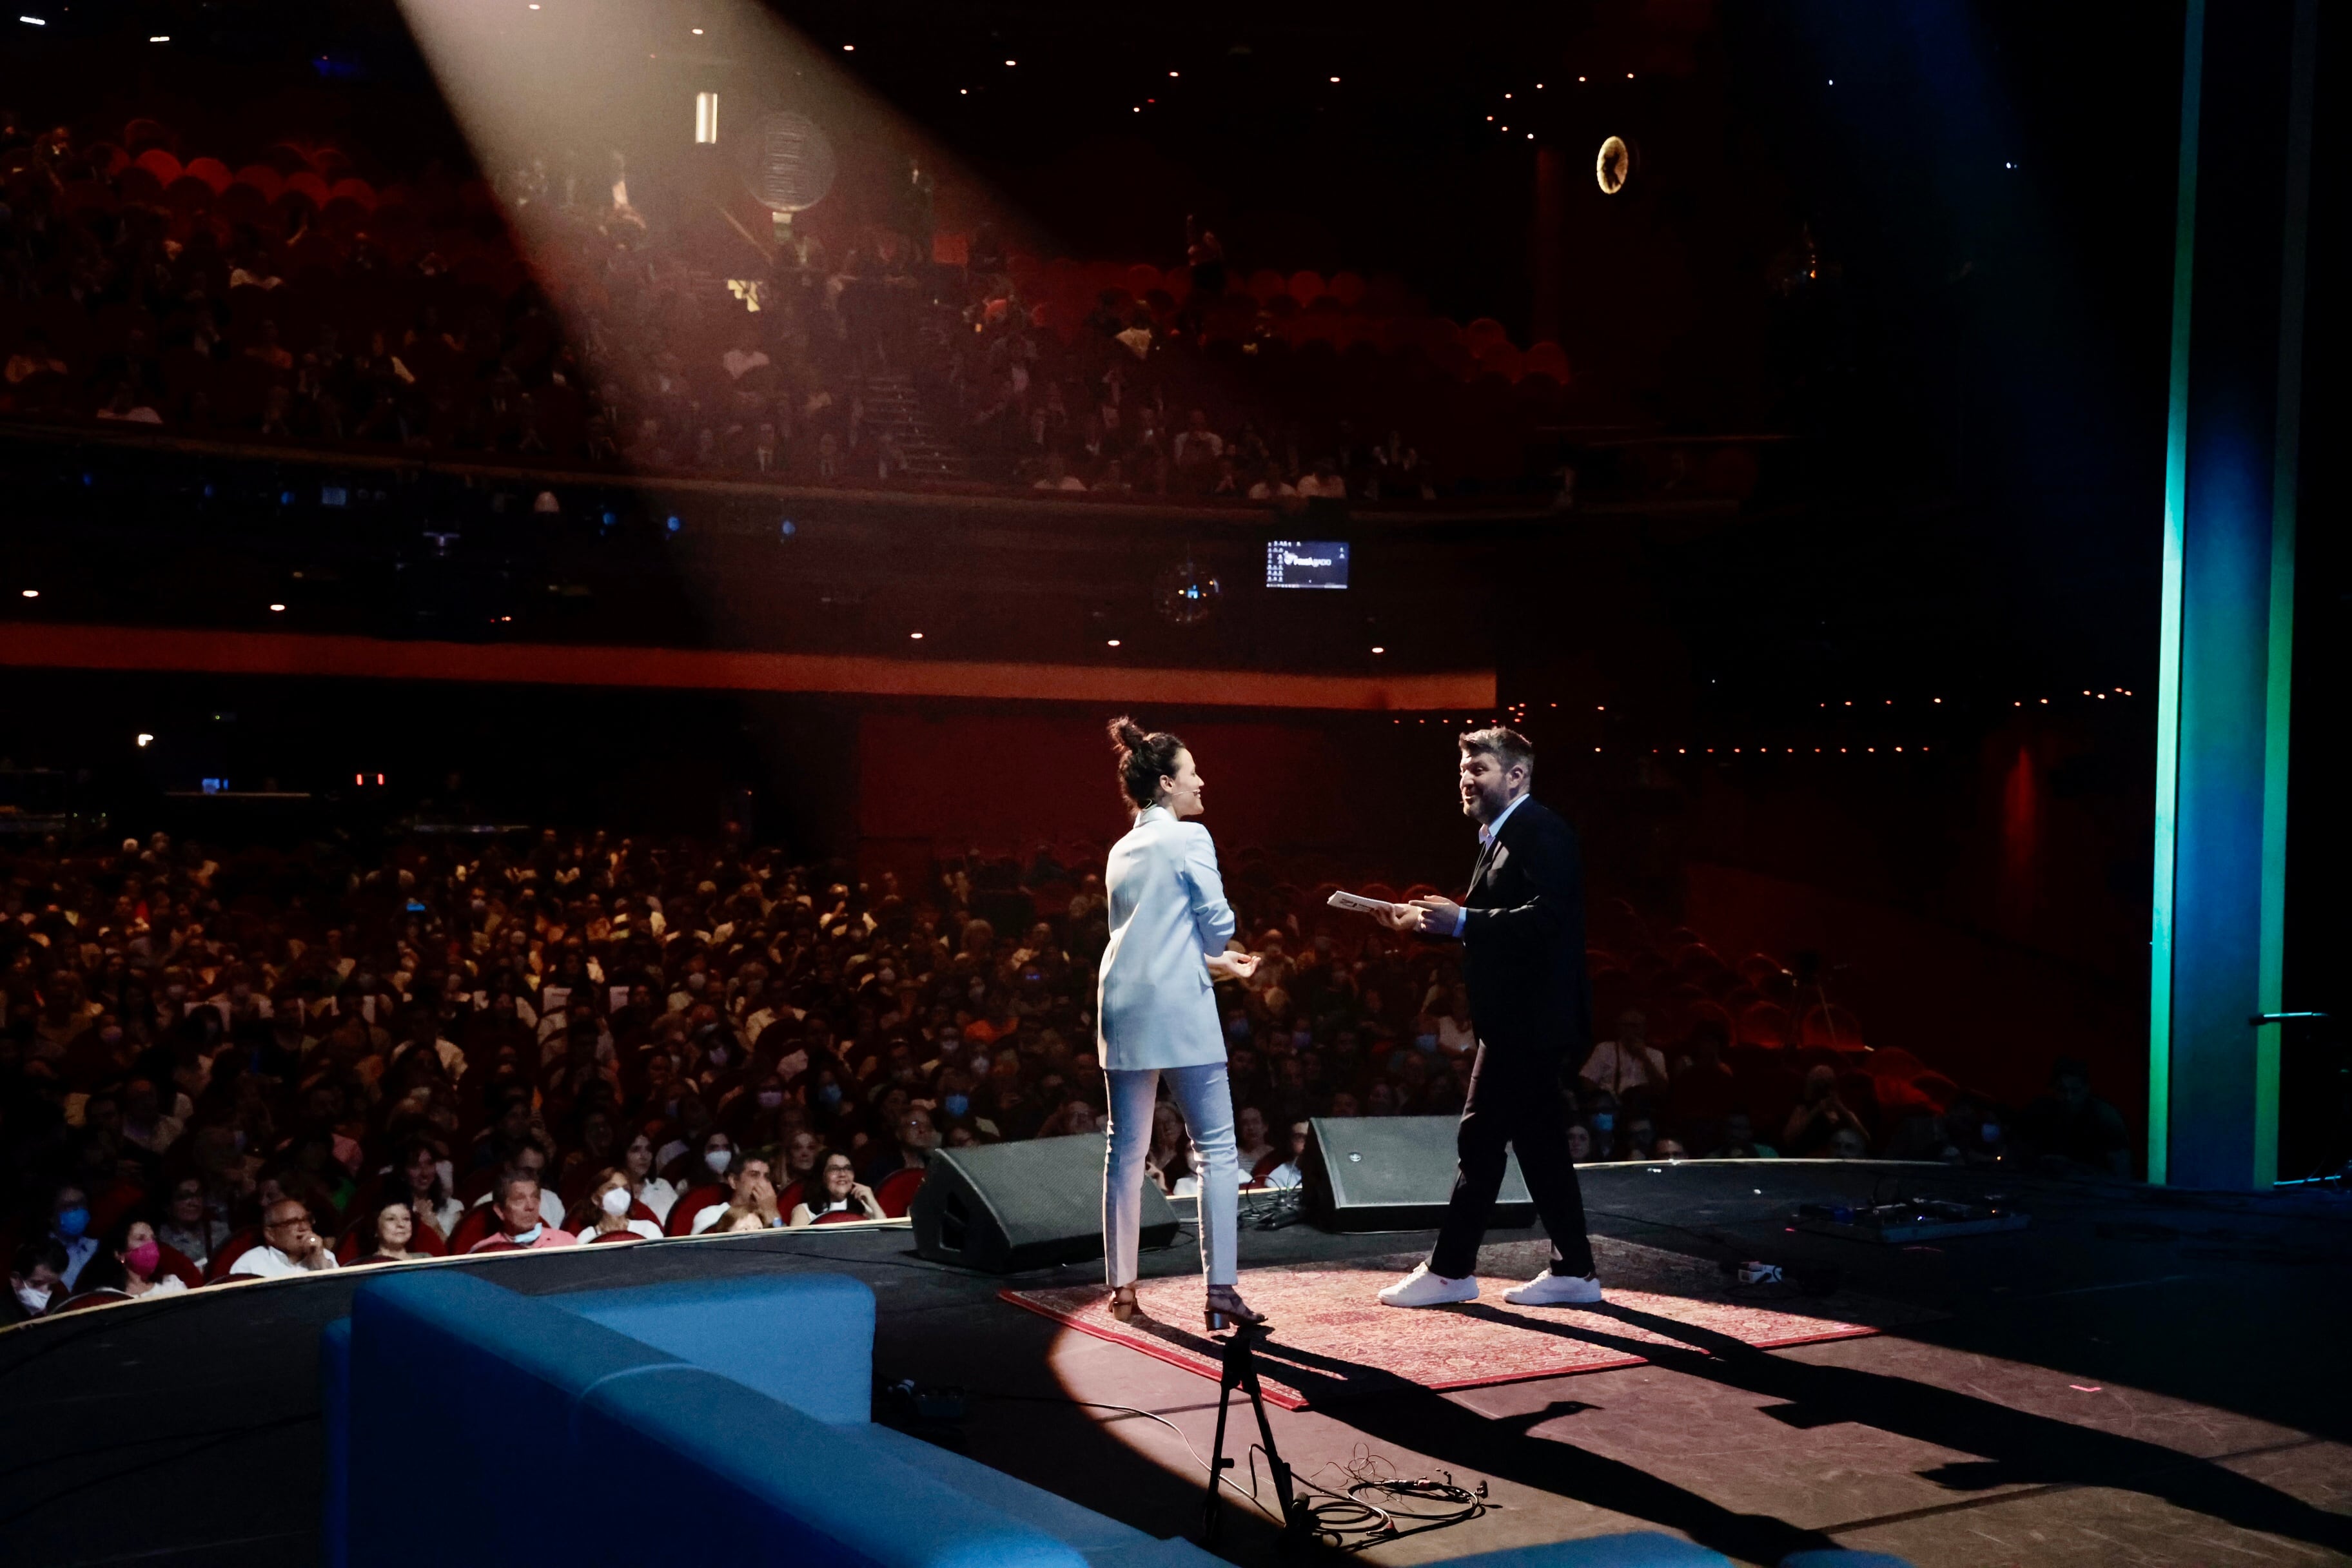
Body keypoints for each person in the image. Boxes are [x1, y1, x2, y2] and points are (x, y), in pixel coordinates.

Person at [1373, 727, 1603, 1309]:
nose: (1465, 780)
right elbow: (1502, 925)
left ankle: (1451, 1270)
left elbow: (1551, 919)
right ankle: (1574, 1269)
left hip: (1530, 1020)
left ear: (1516, 776)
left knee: (1481, 1139)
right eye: (1462, 771)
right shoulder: (1500, 836)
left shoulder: (1540, 830)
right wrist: (1432, 925)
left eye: (1478, 769)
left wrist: (1464, 922)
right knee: (1538, 1143)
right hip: (1516, 1019)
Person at [1095, 718, 1263, 1330]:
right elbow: (1214, 925)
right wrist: (1223, 945)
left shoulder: (1121, 849)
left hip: (1122, 1005)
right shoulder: (1191, 839)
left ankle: (1122, 1290)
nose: (1202, 782)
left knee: (1125, 1149)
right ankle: (1220, 1292)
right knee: (1216, 1149)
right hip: (1180, 1009)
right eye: (1192, 773)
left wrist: (1219, 965)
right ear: (1166, 783)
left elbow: (1153, 940)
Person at [467, 1171, 576, 1252]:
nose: (530, 1206)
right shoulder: (486, 1251)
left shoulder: (566, 1242)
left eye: (535, 1198)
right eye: (519, 1200)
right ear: (500, 1211)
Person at [232, 1199, 342, 1279]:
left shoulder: (325, 1256)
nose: (304, 1228)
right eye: (292, 1222)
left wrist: (321, 1264)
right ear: (270, 1234)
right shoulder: (249, 1265)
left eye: (306, 1220)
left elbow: (339, 1298)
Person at [788, 1152, 885, 1226]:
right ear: (823, 1176)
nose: (842, 1174)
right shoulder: (804, 1211)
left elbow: (887, 1238)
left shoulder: (865, 1208)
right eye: (834, 1169)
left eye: (848, 1168)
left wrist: (872, 1202)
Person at [112, 1220, 188, 1299]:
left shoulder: (172, 1285)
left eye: (153, 1239)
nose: (151, 1244)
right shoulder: (109, 1296)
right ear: (119, 1254)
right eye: (141, 1239)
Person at [354, 1200, 426, 1266]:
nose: (401, 1224)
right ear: (375, 1228)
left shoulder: (425, 1259)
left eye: (406, 1219)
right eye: (391, 1219)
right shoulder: (367, 1266)